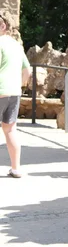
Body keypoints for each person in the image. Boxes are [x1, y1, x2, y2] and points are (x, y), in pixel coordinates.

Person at [0, 14, 31, 178]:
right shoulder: (16, 45)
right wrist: (20, 85)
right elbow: (27, 70)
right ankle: (16, 168)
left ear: (3, 26)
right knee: (10, 130)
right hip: (14, 92)